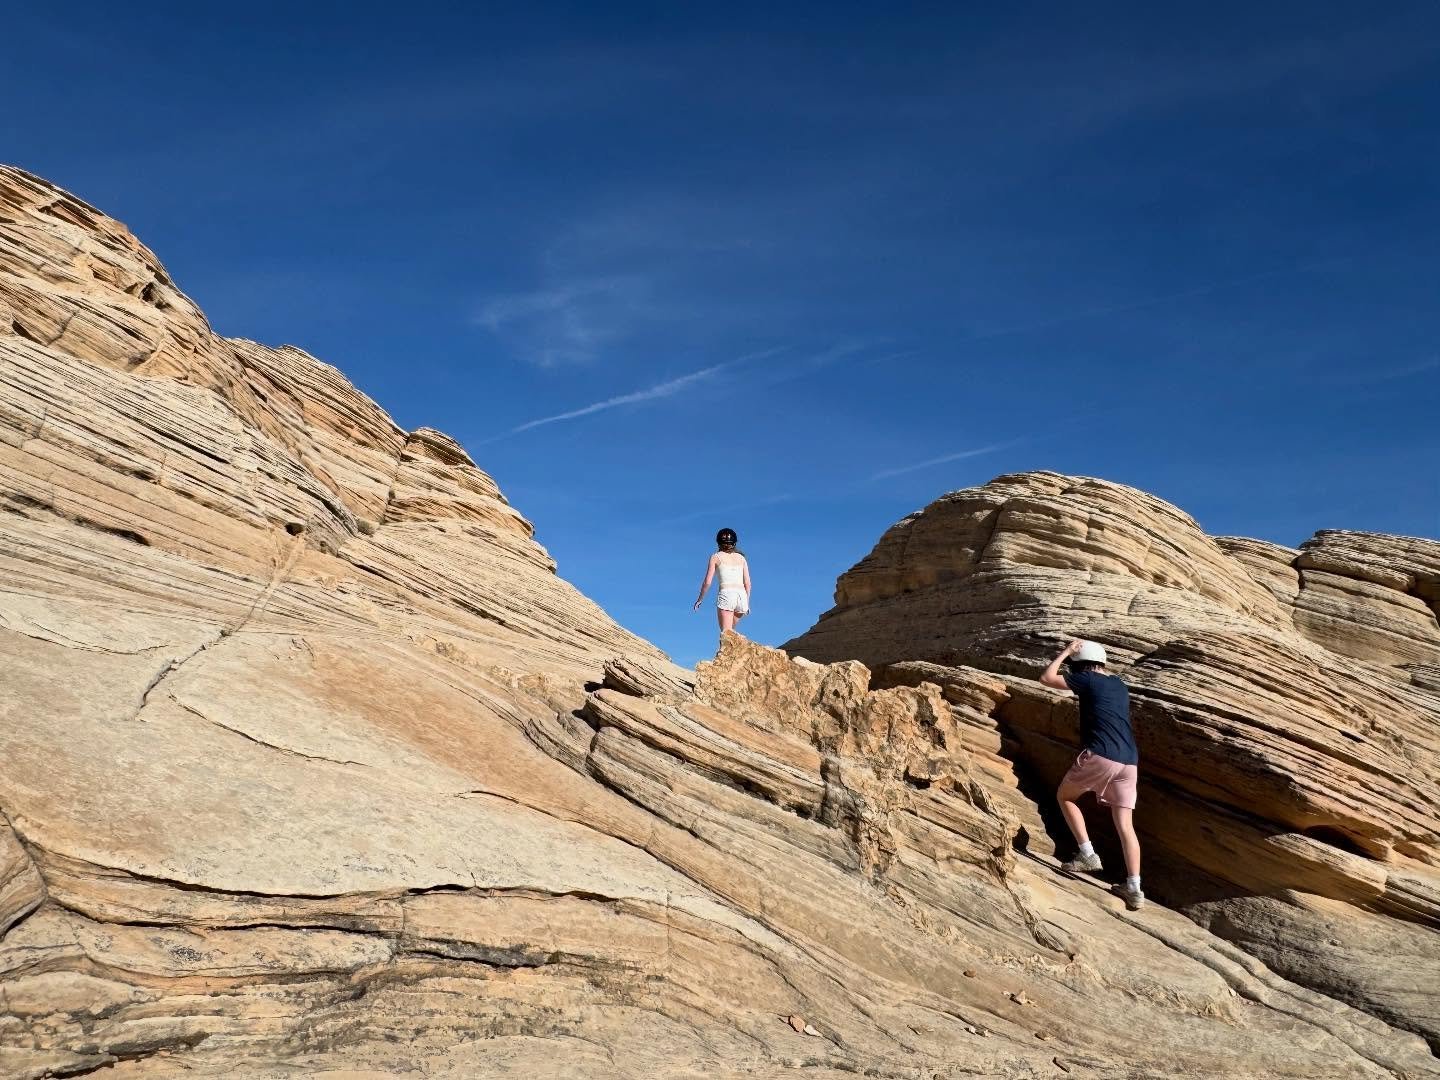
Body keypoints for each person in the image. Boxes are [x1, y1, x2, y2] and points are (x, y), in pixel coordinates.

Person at [1039, 639, 1144, 911]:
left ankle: (1087, 854)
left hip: (1101, 754)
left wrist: (1065, 652)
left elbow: (1047, 678)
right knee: (1125, 826)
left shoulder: (1087, 679)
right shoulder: (1118, 684)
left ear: (1081, 665)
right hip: (1129, 761)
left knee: (1066, 797)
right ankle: (1134, 887)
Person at [692, 528, 751, 635]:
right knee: (731, 634)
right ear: (734, 542)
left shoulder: (716, 557)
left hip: (727, 595)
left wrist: (699, 600)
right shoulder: (741, 558)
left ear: (718, 542)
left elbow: (707, 582)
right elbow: (747, 583)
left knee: (726, 635)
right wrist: (747, 602)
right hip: (741, 597)